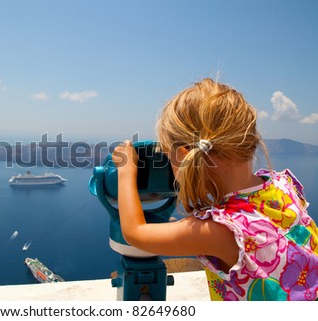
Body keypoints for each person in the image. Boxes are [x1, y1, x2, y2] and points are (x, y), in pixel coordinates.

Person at [112, 78, 318, 301]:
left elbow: (135, 233)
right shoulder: (283, 185)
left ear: (183, 154)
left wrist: (126, 172)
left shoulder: (221, 230)